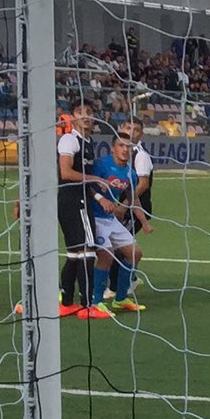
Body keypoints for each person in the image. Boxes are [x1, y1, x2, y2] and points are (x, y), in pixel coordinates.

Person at [85, 132, 146, 316]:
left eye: (128, 146)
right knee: (106, 255)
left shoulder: (130, 173)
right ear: (113, 148)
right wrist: (101, 199)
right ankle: (97, 302)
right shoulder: (101, 165)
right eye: (121, 146)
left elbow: (133, 197)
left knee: (135, 253)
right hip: (95, 217)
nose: (125, 150)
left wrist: (144, 221)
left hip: (111, 220)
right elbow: (87, 185)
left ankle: (120, 299)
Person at [54, 99, 97, 315]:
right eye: (81, 112)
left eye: (89, 112)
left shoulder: (88, 142)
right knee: (88, 248)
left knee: (74, 253)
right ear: (73, 116)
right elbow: (66, 173)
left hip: (75, 200)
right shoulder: (70, 140)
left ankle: (67, 301)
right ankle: (87, 305)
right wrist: (94, 178)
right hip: (74, 200)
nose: (86, 116)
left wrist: (98, 194)